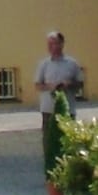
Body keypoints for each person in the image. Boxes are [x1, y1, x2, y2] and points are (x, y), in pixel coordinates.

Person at [35, 30, 82, 165]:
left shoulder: (72, 63)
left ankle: (67, 165)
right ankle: (50, 166)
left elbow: (80, 83)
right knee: (48, 140)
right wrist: (50, 86)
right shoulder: (44, 64)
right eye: (49, 44)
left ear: (61, 44)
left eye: (54, 43)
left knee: (68, 139)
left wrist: (69, 84)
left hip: (67, 109)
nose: (51, 47)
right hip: (49, 109)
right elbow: (37, 85)